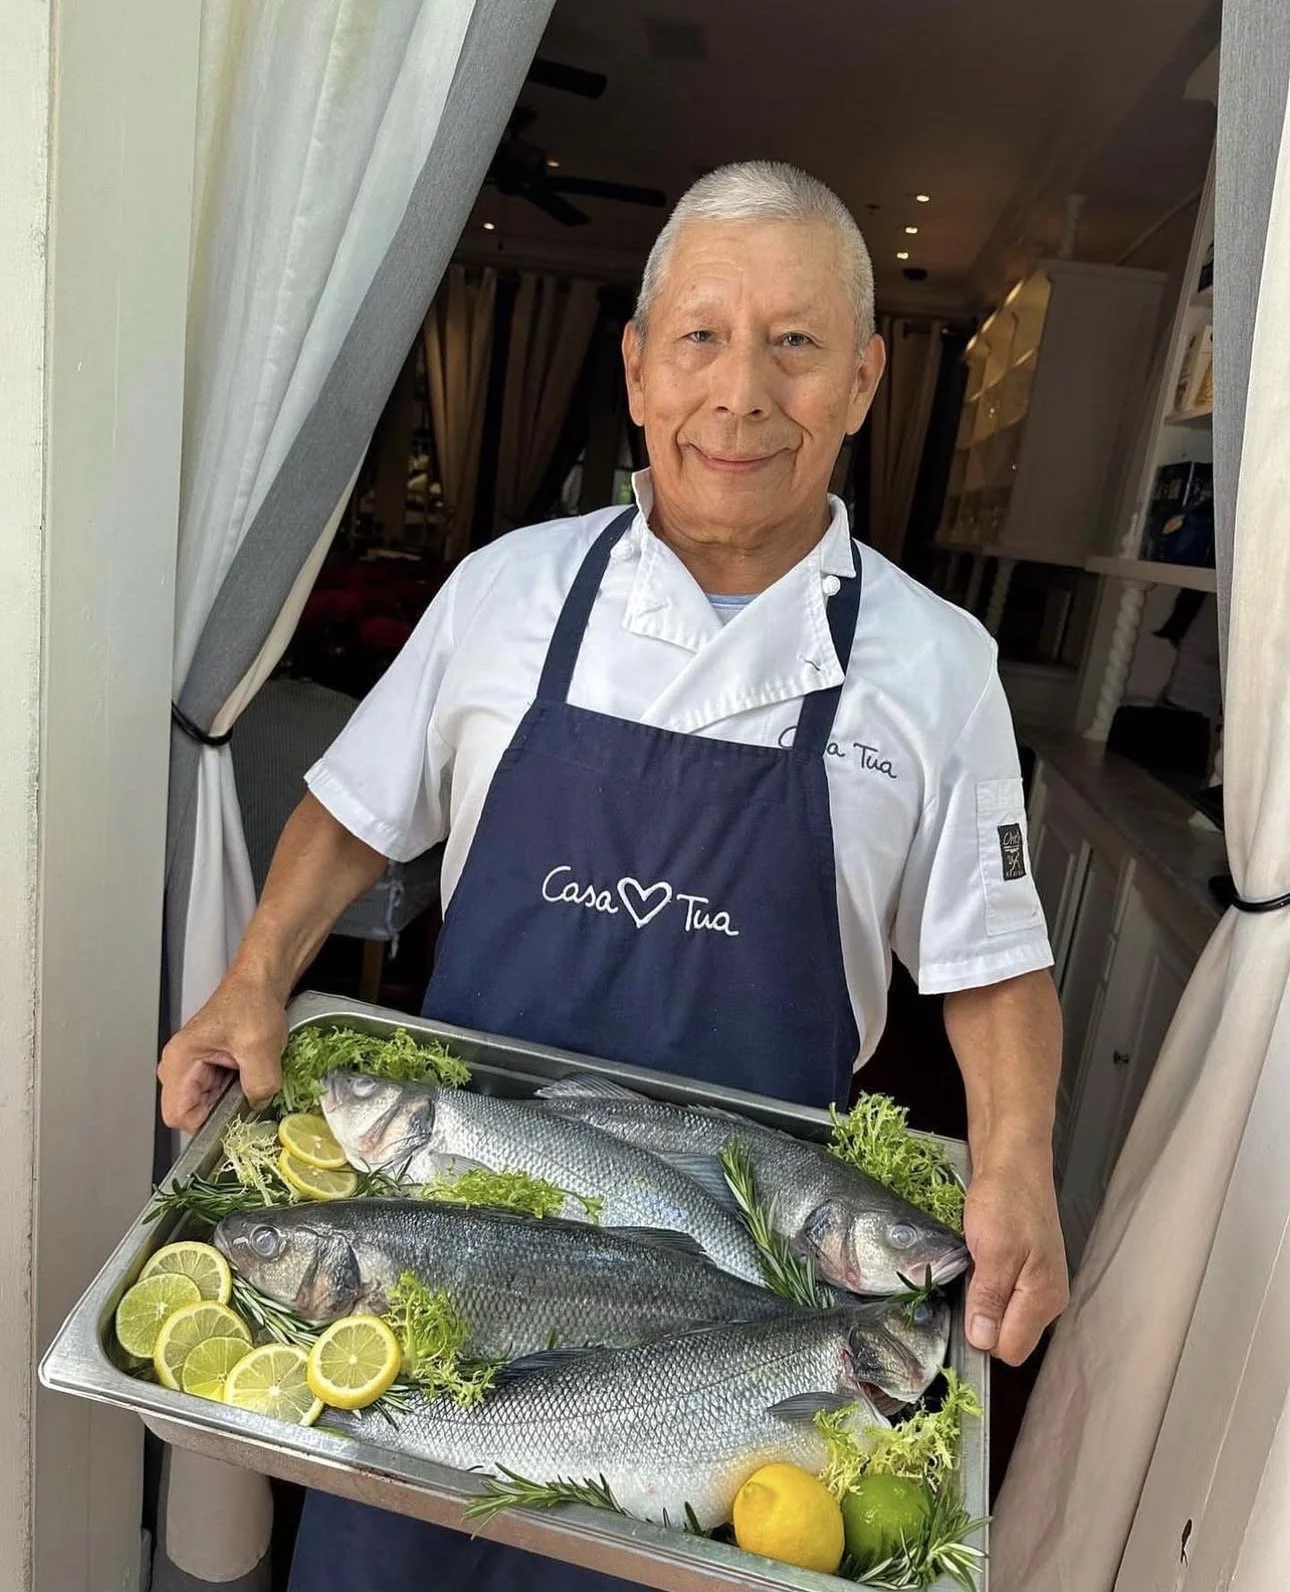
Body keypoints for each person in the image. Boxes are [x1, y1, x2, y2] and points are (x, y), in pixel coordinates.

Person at [160, 160, 1068, 1592]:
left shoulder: (939, 668)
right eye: (701, 336)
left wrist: (1015, 1168)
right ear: (638, 368)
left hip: (740, 1281)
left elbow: (990, 957)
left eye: (794, 342)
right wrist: (251, 978)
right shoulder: (503, 591)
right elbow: (350, 811)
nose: (741, 392)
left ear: (862, 380)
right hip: (453, 1214)